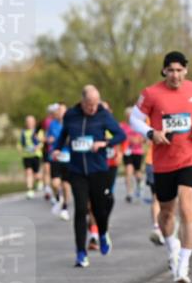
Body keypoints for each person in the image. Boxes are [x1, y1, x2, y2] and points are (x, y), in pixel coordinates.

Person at [129, 51, 192, 283]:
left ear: (186, 70)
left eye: (179, 70)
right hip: (164, 161)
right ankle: (172, 248)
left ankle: (184, 264)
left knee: (187, 208)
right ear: (164, 71)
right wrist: (151, 133)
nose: (175, 75)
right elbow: (134, 119)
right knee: (166, 213)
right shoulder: (151, 93)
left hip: (191, 157)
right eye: (171, 70)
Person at [52, 86, 125, 268]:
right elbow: (63, 135)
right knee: (80, 210)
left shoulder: (103, 114)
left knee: (100, 209)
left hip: (98, 169)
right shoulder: (71, 115)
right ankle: (80, 253)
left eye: (96, 104)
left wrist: (104, 143)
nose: (93, 108)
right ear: (82, 102)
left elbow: (120, 134)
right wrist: (57, 149)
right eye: (90, 104)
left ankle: (103, 233)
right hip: (77, 171)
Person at [47, 103, 71, 221]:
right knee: (55, 183)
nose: (59, 112)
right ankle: (58, 198)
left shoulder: (71, 124)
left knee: (66, 184)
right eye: (58, 110)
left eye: (61, 110)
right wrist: (50, 140)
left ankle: (65, 208)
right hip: (55, 157)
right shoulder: (53, 124)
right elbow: (48, 138)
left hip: (68, 157)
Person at [121, 108, 145, 204]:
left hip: (138, 152)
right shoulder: (122, 126)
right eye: (128, 115)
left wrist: (138, 140)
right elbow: (119, 136)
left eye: (131, 115)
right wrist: (128, 138)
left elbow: (145, 138)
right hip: (127, 152)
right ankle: (129, 193)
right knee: (128, 171)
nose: (129, 117)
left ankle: (140, 183)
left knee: (137, 172)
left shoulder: (139, 125)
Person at [18, 115, 45, 199]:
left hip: (36, 155)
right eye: (28, 122)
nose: (29, 123)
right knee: (28, 172)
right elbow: (19, 143)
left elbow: (42, 142)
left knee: (36, 174)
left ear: (34, 123)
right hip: (26, 155)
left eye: (31, 122)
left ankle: (40, 180)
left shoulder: (38, 131)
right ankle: (30, 190)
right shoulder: (23, 132)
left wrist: (37, 147)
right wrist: (20, 149)